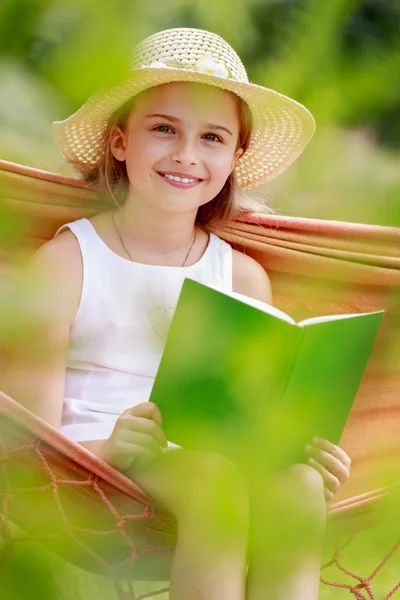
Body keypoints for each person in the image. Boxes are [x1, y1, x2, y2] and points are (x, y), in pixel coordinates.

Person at [4, 28, 351, 600]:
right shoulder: (68, 263)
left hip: (213, 469)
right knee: (213, 479)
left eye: (212, 137)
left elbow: (248, 424)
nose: (186, 154)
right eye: (164, 128)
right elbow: (24, 445)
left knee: (298, 485)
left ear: (234, 158)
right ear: (120, 142)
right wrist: (114, 450)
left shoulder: (240, 277)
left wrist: (301, 447)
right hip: (90, 477)